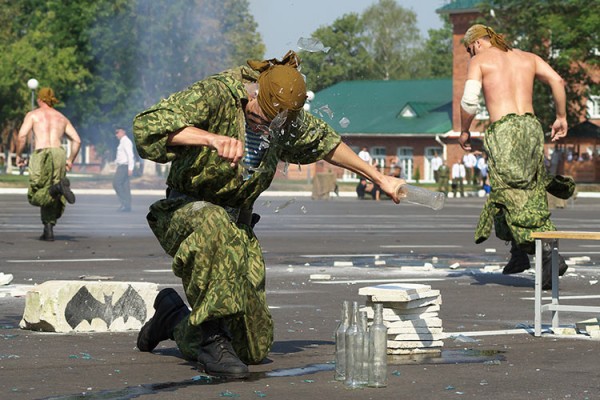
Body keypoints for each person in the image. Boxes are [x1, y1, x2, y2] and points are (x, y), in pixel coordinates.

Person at [132, 51, 406, 379]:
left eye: (275, 123)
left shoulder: (283, 120)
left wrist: (380, 178)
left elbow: (328, 144)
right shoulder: (217, 94)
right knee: (214, 225)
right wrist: (210, 138)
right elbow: (147, 126)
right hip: (185, 210)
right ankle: (210, 338)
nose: (266, 126)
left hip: (236, 225)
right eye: (261, 117)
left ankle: (173, 318)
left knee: (253, 349)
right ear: (255, 94)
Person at [459, 24, 574, 290]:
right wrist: (561, 117)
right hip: (532, 128)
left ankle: (547, 254)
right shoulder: (528, 57)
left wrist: (464, 131)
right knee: (532, 190)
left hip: (505, 131)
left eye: (468, 50)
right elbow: (557, 80)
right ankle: (519, 252)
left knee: (506, 191)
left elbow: (469, 102)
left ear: (476, 43)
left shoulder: (479, 60)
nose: (469, 55)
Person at [16, 87, 81, 241]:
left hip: (41, 153)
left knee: (36, 192)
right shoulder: (61, 118)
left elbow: (21, 136)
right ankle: (48, 229)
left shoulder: (33, 115)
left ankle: (56, 189)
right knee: (52, 192)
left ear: (39, 99)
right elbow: (77, 140)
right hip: (58, 153)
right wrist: (70, 160)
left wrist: (18, 155)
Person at [113, 128, 135, 212]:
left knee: (116, 183)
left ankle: (125, 203)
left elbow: (130, 155)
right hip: (122, 166)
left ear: (123, 131)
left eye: (117, 132)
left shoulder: (126, 142)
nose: (116, 134)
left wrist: (130, 168)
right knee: (125, 186)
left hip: (124, 167)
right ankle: (127, 206)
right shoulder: (122, 141)